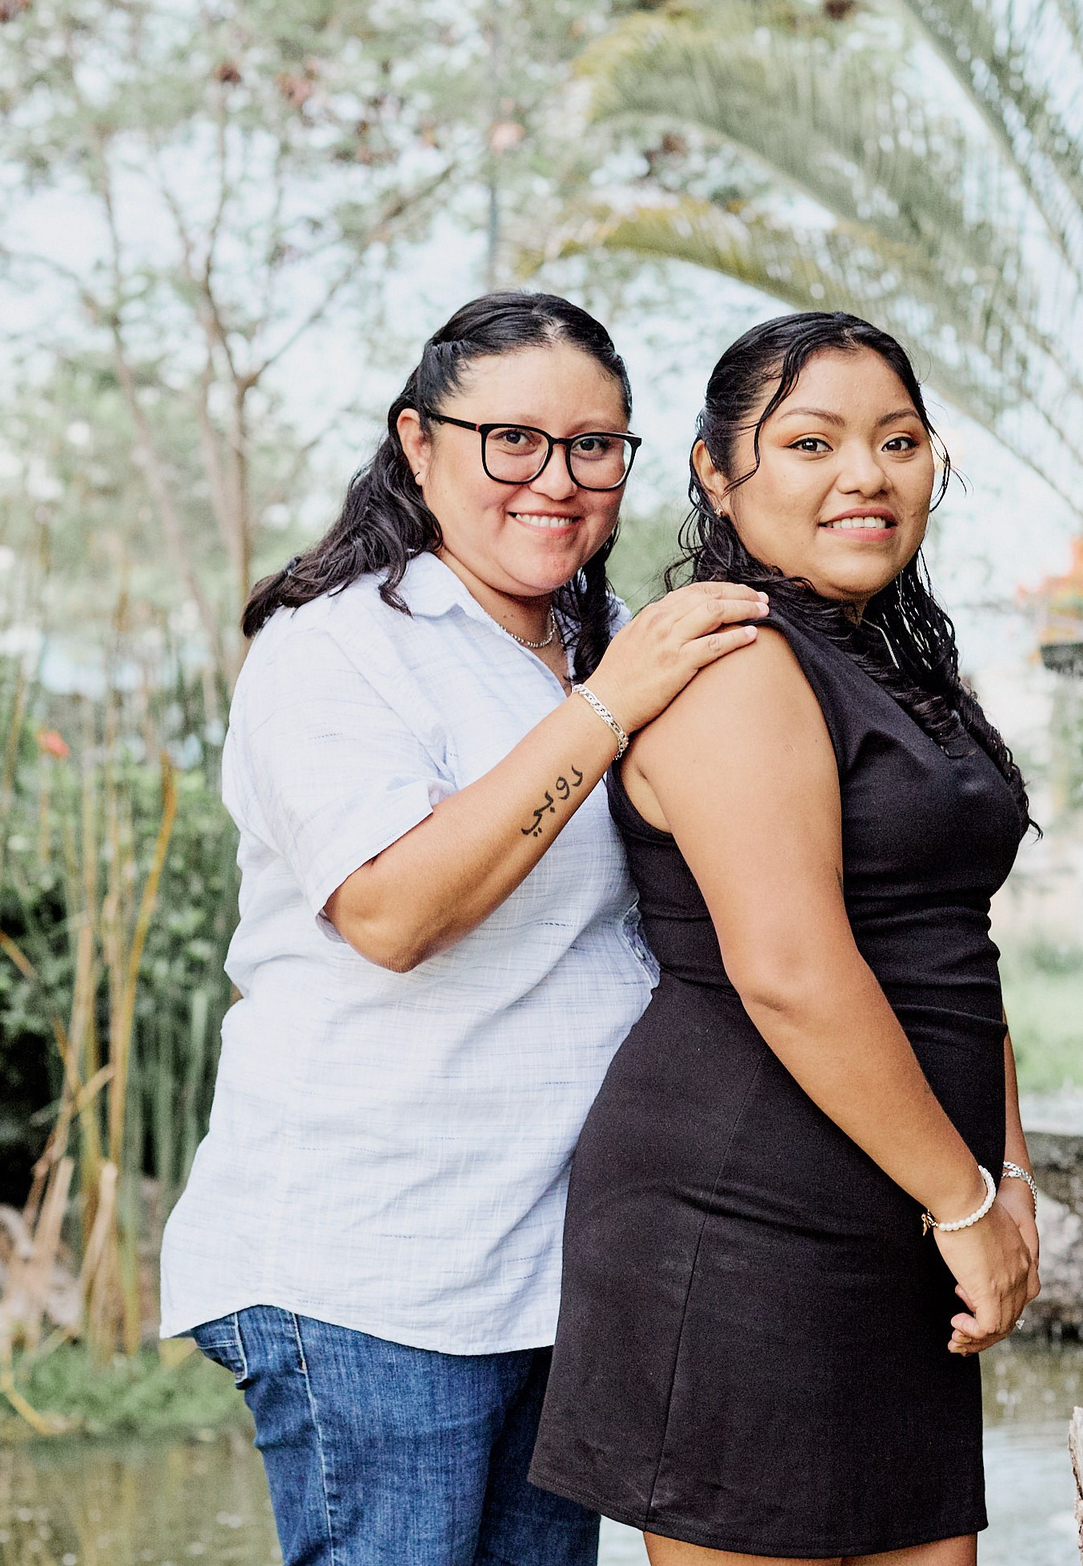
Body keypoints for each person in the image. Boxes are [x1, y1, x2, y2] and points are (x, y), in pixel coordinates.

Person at [159, 291, 769, 1566]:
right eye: (513, 440)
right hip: (375, 1265)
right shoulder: (334, 650)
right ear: (419, 443)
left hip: (555, 1267)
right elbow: (391, 908)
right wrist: (607, 708)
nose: (555, 479)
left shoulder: (596, 643)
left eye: (594, 446)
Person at [530, 312, 1042, 1565]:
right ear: (715, 471)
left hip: (902, 1215)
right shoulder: (732, 660)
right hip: (746, 1229)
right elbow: (791, 969)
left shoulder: (896, 663)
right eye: (809, 442)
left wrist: (1009, 1179)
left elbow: (949, 950)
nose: (864, 474)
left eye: (898, 440)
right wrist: (964, 1195)